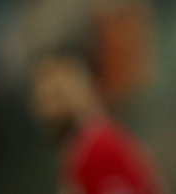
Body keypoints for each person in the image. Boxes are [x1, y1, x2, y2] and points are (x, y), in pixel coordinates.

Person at [30, 46, 167, 194]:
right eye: (45, 100)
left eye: (58, 96)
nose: (52, 109)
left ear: (84, 89)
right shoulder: (82, 150)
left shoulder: (98, 148)